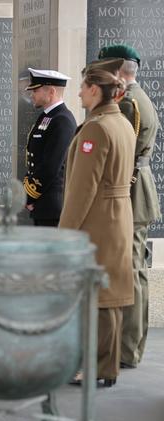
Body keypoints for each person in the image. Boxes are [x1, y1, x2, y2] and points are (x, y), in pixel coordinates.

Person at [60, 59, 135, 387]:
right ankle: (106, 365)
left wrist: (64, 234)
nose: (78, 92)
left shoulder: (96, 128)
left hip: (97, 221)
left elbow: (81, 189)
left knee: (95, 296)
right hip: (118, 216)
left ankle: (93, 366)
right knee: (111, 295)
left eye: (82, 86)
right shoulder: (122, 123)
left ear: (94, 89)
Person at [98, 45, 162, 369]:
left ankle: (127, 349)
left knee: (133, 272)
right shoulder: (138, 97)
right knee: (135, 271)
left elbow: (119, 152)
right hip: (138, 189)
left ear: (117, 70)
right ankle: (130, 346)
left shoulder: (127, 102)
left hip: (131, 192)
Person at [22, 68, 77, 226]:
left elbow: (51, 166)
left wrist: (29, 195)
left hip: (52, 205)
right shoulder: (47, 117)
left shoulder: (62, 120)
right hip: (41, 203)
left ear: (51, 91)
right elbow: (34, 159)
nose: (32, 95)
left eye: (36, 90)